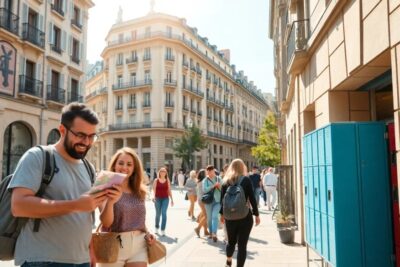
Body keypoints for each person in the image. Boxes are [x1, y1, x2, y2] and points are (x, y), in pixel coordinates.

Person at [9, 102, 109, 267]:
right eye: (81, 135)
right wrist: (75, 205)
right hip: (42, 260)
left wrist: (90, 249)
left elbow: (85, 218)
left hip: (82, 260)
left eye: (92, 136)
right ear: (62, 130)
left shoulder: (88, 168)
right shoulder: (37, 156)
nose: (87, 142)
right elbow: (18, 205)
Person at [99, 147, 156, 267]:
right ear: (114, 165)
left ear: (134, 168)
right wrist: (111, 202)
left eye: (129, 164)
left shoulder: (140, 190)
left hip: (139, 246)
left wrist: (148, 232)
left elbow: (139, 219)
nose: (124, 167)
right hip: (113, 245)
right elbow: (106, 222)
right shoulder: (105, 186)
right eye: (121, 163)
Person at [220, 159, 260, 267]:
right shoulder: (246, 180)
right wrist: (256, 214)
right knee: (242, 246)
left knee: (231, 242)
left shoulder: (225, 181)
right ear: (242, 167)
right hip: (245, 217)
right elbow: (252, 198)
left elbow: (222, 201)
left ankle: (228, 260)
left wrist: (222, 215)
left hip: (230, 218)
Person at [202, 165, 222, 242]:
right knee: (209, 218)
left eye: (211, 171)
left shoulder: (218, 178)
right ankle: (211, 232)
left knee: (215, 216)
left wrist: (219, 186)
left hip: (217, 200)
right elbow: (204, 190)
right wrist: (213, 186)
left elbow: (223, 188)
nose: (210, 172)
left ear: (214, 171)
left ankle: (214, 233)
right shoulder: (205, 180)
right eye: (208, 171)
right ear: (207, 172)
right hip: (208, 201)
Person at [152, 167, 174, 236]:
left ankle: (163, 229)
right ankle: (156, 227)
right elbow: (154, 189)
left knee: (164, 213)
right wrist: (153, 197)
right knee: (158, 214)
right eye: (161, 171)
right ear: (159, 172)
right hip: (157, 198)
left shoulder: (167, 180)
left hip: (165, 199)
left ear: (166, 173)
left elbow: (169, 190)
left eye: (164, 171)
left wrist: (172, 199)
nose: (163, 172)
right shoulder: (156, 180)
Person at [194, 169, 210, 237]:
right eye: (206, 173)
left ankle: (205, 231)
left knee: (204, 215)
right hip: (203, 200)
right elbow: (206, 190)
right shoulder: (204, 181)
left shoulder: (199, 181)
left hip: (200, 200)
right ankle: (198, 228)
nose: (207, 173)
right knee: (206, 216)